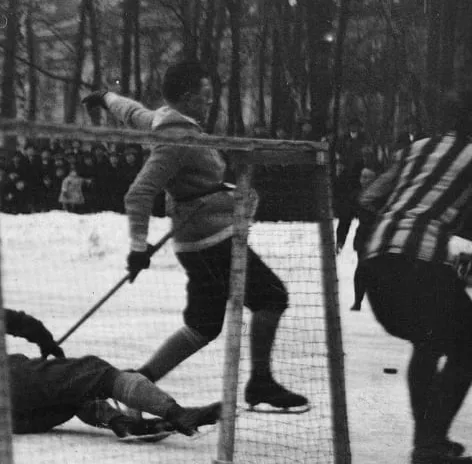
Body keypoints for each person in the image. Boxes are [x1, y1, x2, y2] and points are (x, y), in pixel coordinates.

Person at [84, 59, 308, 412]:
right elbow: (138, 194)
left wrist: (105, 97)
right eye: (205, 94)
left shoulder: (164, 121)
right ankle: (261, 383)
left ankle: (137, 383)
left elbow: (132, 112)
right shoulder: (178, 138)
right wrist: (138, 247)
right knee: (271, 297)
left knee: (203, 326)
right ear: (187, 97)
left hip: (201, 241)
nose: (210, 100)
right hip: (211, 243)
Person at [0, 260, 222, 438]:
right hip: (4, 383)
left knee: (71, 390)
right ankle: (178, 413)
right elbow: (20, 322)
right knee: (94, 372)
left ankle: (121, 423)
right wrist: (47, 343)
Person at [357, 88, 472, 464]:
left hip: (377, 261)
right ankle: (429, 441)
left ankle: (428, 441)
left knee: (430, 341)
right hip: (419, 263)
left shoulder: (415, 148)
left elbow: (369, 198)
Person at [335, 166, 379, 312]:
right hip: (364, 237)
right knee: (362, 268)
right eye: (362, 177)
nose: (363, 180)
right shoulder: (357, 196)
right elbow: (345, 219)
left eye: (367, 177)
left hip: (381, 237)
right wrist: (340, 239)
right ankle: (357, 301)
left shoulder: (383, 197)